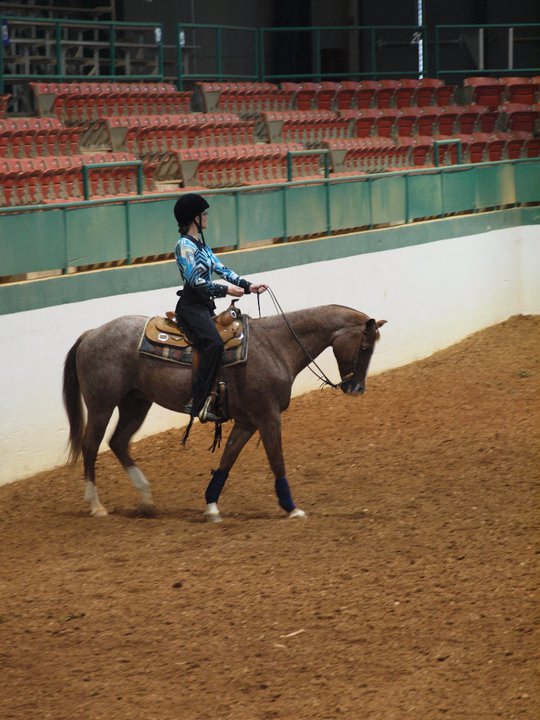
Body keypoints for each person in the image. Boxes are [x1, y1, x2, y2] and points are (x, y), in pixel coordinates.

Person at [173, 193, 267, 424]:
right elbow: (194, 280)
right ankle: (198, 400)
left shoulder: (201, 245)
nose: (207, 218)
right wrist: (226, 291)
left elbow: (222, 269)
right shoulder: (184, 246)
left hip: (203, 306)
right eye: (204, 214)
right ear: (194, 218)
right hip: (191, 307)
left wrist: (247, 285)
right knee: (213, 344)